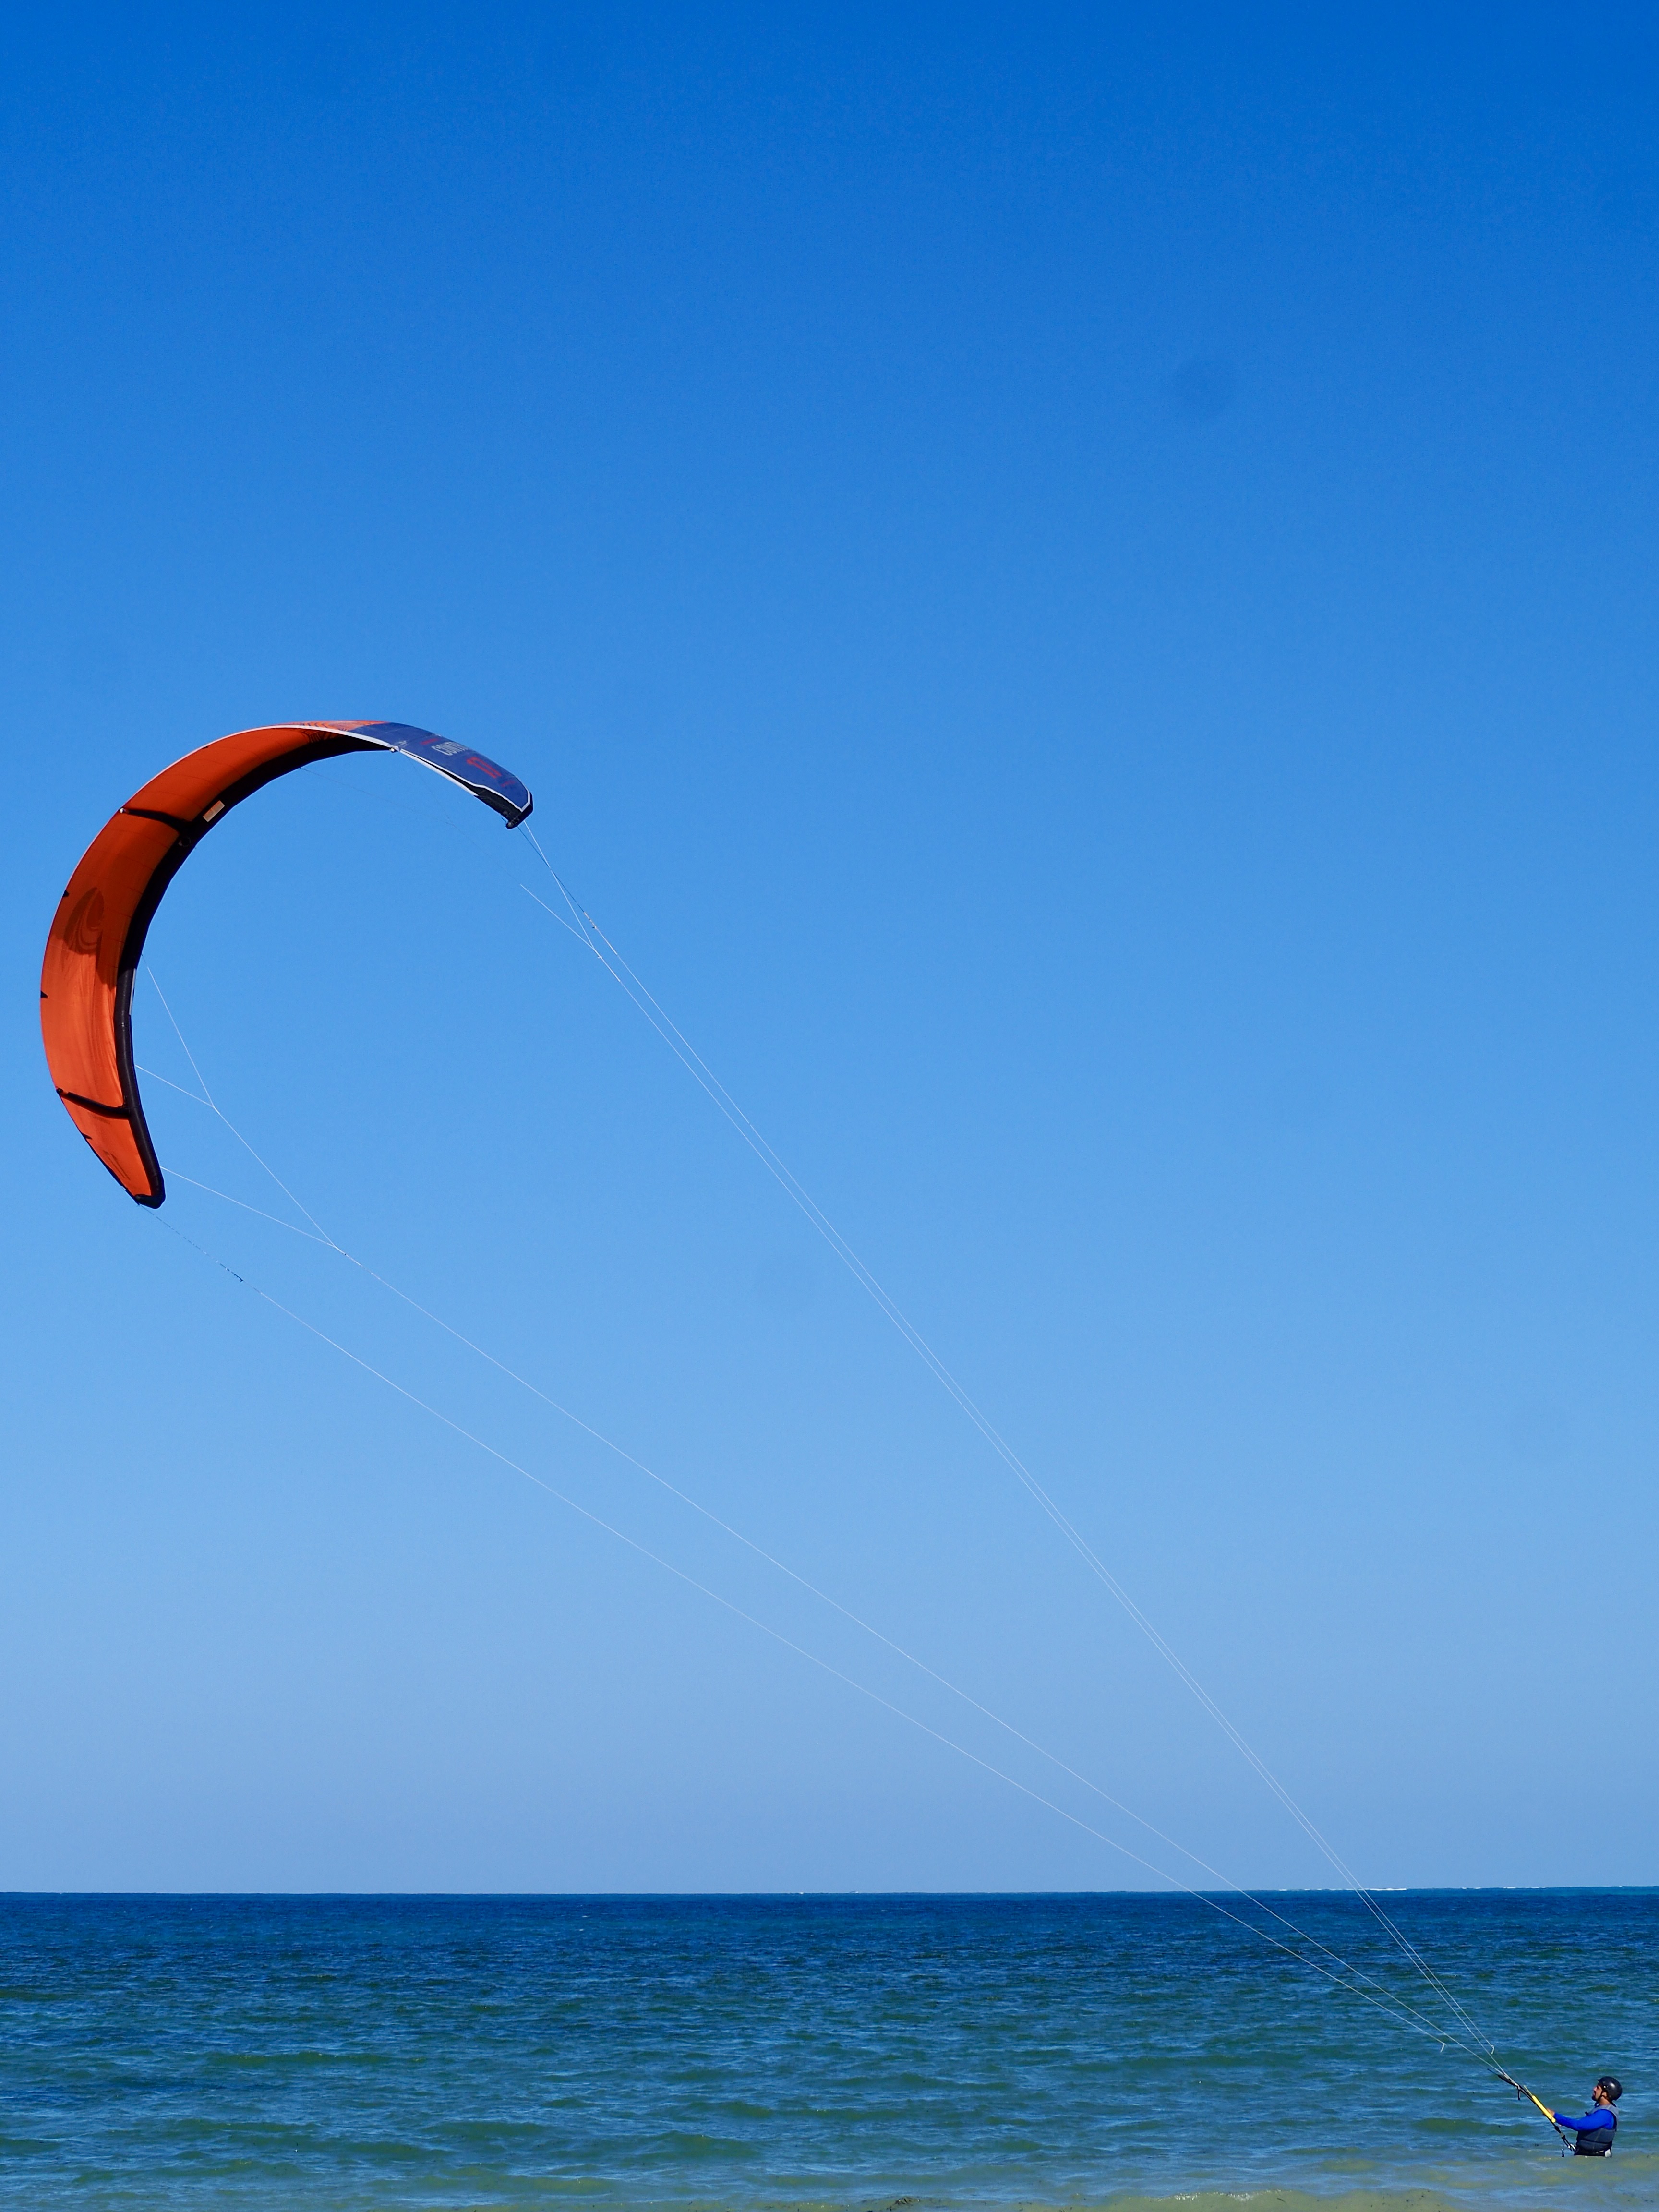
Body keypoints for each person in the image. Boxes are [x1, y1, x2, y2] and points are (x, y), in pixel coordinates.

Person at [1551, 2076, 1621, 2155]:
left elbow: (1578, 2125)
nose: (1594, 2089)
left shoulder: (1606, 2114)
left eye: (1598, 2088)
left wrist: (1555, 2116)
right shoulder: (1602, 2109)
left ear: (1605, 2094)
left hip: (1596, 2159)